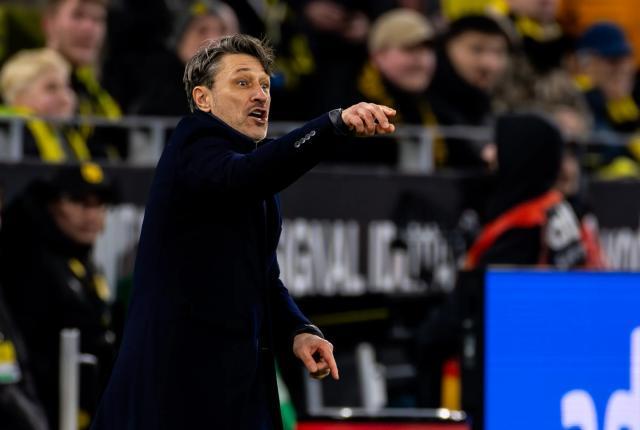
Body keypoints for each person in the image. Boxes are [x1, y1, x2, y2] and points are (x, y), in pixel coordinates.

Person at [90, 34, 396, 430]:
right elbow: (246, 176)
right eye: (242, 82)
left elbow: (263, 277)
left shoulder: (253, 168)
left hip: (231, 388)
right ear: (203, 99)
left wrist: (297, 330)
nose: (260, 95)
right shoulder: (193, 144)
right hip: (173, 390)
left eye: (265, 85)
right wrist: (331, 125)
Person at [0, 163, 119, 429]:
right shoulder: (28, 263)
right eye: (79, 202)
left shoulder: (80, 258)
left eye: (99, 204)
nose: (91, 215)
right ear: (52, 205)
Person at [334, 8, 441, 166]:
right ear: (378, 55)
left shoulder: (437, 105)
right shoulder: (348, 105)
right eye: (409, 49)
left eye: (427, 50)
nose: (421, 60)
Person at [427, 14, 511, 168]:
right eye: (476, 50)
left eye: (498, 53)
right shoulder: (425, 99)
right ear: (447, 47)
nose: (489, 64)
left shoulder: (495, 101)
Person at [43, 0, 124, 158]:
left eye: (98, 19)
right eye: (77, 16)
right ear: (49, 24)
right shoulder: (23, 79)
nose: (89, 28)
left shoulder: (98, 90)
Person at [130, 0, 238, 116]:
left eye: (222, 30)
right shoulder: (154, 91)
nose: (213, 39)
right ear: (181, 40)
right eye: (202, 30)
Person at [0, 48, 94, 162]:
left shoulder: (67, 137)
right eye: (51, 88)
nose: (65, 98)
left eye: (68, 87)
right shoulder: (5, 137)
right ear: (17, 96)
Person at [575, 22, 640, 177]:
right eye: (613, 61)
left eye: (627, 58)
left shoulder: (631, 102)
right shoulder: (579, 104)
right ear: (587, 65)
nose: (623, 68)